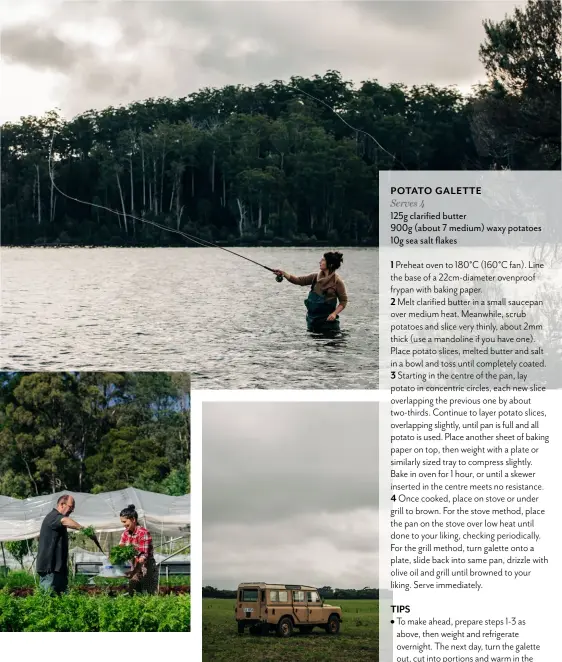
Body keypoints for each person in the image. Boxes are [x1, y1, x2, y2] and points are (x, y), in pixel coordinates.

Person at [36, 494, 97, 595]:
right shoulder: (53, 516)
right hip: (50, 567)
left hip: (58, 568)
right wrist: (85, 530)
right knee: (48, 599)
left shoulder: (55, 520)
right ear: (62, 504)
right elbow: (65, 520)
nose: (72, 510)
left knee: (61, 598)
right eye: (71, 506)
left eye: (73, 507)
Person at [274, 251, 348, 332]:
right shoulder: (314, 277)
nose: (320, 262)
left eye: (323, 260)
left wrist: (334, 314)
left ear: (330, 264)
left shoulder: (337, 282)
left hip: (328, 324)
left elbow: (343, 301)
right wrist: (283, 273)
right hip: (312, 323)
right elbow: (298, 280)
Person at [119, 504, 158, 595]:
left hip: (146, 567)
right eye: (122, 522)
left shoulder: (143, 533)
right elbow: (120, 548)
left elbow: (143, 556)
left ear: (133, 519)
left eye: (125, 522)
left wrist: (134, 572)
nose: (124, 525)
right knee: (133, 593)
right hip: (134, 566)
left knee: (148, 594)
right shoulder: (125, 534)